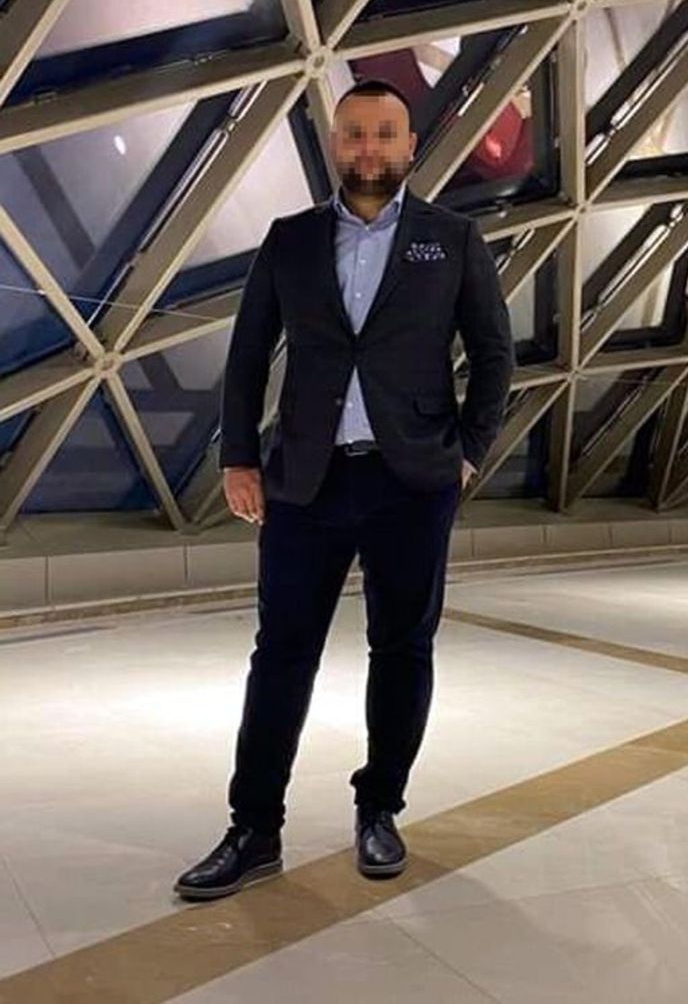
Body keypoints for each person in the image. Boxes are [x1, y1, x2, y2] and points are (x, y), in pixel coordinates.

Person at [174, 78, 514, 901]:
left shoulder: (452, 239)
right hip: (305, 482)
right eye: (354, 133)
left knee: (402, 648)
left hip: (411, 483)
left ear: (409, 145)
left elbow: (494, 355)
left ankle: (379, 808)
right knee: (281, 653)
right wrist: (239, 457)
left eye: (384, 133)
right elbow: (248, 354)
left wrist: (466, 452)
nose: (369, 148)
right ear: (335, 144)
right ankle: (254, 826)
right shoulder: (290, 240)